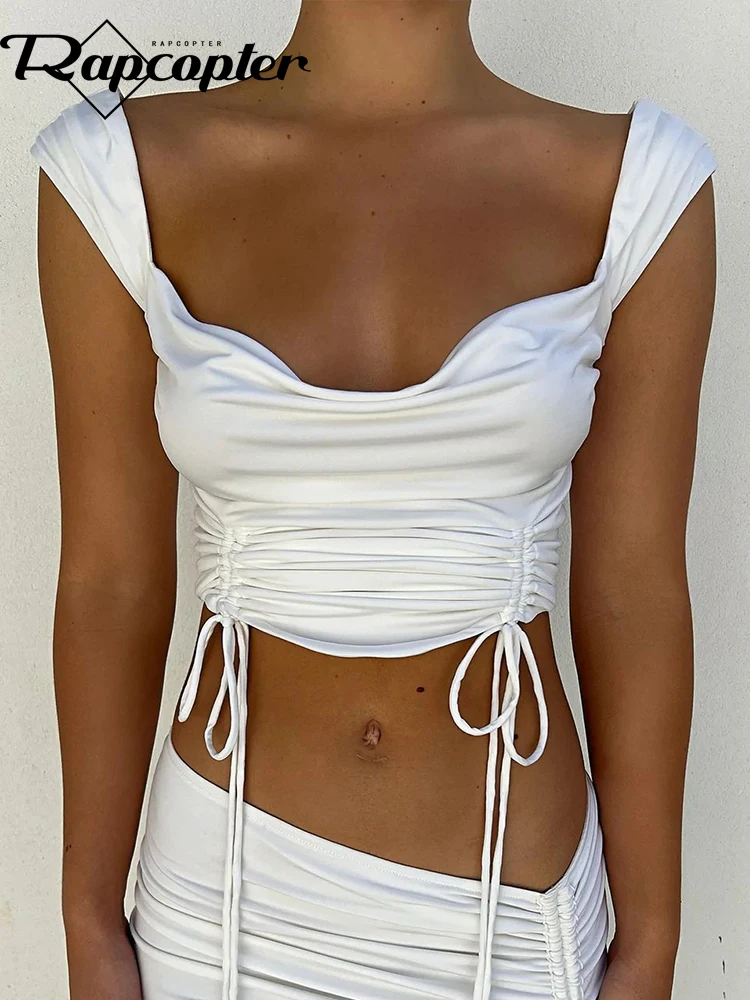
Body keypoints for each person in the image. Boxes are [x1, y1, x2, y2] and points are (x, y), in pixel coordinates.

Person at [29, 2, 718, 999]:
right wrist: (89, 924)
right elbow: (108, 582)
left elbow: (635, 592)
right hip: (221, 918)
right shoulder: (115, 171)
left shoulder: (636, 185)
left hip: (510, 923)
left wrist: (651, 942)